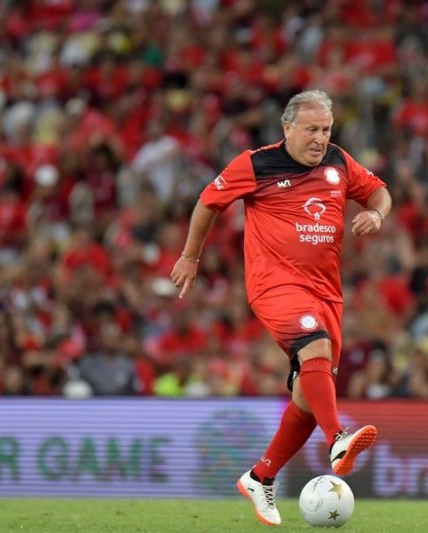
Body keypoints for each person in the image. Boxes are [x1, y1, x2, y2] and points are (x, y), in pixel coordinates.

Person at [171, 90, 391, 526]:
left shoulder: (339, 162)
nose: (320, 139)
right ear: (287, 127)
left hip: (327, 292)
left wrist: (378, 215)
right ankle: (337, 440)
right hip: (275, 284)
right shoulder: (255, 164)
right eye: (311, 129)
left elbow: (381, 192)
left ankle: (261, 476)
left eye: (326, 130)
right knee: (315, 348)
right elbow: (207, 203)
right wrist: (190, 257)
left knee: (307, 394)